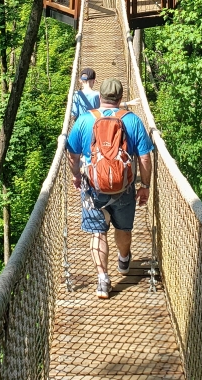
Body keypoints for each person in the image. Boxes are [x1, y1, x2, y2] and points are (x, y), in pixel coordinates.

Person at [67, 77, 154, 299]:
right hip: (123, 187)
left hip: (92, 186)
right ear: (121, 98)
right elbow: (144, 158)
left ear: (100, 97)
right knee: (123, 229)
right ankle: (124, 260)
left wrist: (77, 176)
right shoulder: (132, 120)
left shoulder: (85, 120)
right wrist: (144, 186)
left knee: (98, 232)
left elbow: (73, 155)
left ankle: (103, 279)